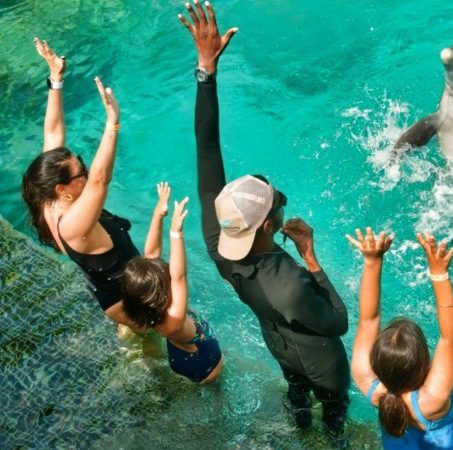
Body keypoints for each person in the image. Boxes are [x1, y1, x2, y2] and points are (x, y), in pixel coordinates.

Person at [177, 0, 350, 438]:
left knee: (296, 392)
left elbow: (206, 147)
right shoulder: (289, 282)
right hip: (322, 362)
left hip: (280, 347)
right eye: (276, 206)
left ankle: (300, 425)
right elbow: (338, 321)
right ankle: (331, 437)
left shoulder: (218, 243)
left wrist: (206, 71)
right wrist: (311, 257)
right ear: (269, 226)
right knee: (335, 409)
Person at [21, 38, 144, 330]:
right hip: (128, 300)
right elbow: (101, 180)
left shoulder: (47, 195)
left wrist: (55, 78)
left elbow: (53, 133)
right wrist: (112, 123)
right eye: (81, 172)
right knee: (158, 341)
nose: (87, 173)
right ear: (62, 189)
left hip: (111, 286)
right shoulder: (73, 225)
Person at [348, 228, 453, 449]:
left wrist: (372, 261)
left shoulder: (371, 387)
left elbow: (368, 320)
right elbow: (452, 337)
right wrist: (438, 273)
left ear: (376, 364)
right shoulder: (431, 401)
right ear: (424, 363)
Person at [120, 184, 223, 383]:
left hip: (178, 354)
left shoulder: (147, 311)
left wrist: (158, 214)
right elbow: (179, 276)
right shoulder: (174, 318)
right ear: (161, 293)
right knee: (215, 385)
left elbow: (151, 255)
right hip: (204, 363)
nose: (167, 272)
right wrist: (176, 233)